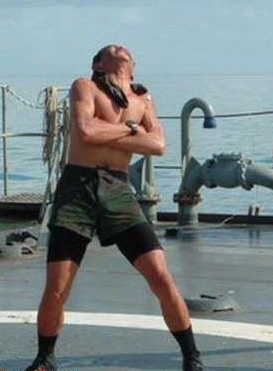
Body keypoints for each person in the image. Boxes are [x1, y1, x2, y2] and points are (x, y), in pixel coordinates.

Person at [25, 45, 204, 371]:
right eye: (108, 49)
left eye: (124, 49)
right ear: (98, 64)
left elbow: (158, 144)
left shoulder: (143, 99)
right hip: (78, 189)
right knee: (58, 286)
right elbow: (86, 131)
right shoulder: (85, 86)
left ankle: (192, 357)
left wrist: (110, 131)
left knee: (161, 277)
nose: (117, 48)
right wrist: (133, 129)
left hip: (119, 190)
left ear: (133, 67)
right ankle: (44, 358)